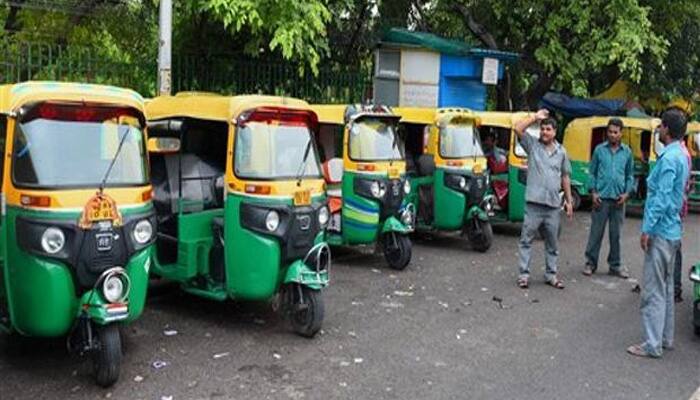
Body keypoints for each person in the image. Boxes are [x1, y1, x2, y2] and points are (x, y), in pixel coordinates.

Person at [627, 108, 690, 359]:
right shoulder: (681, 155)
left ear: (666, 128)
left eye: (660, 126)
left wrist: (647, 229)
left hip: (662, 231)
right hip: (673, 230)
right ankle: (665, 337)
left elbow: (661, 198)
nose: (658, 130)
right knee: (665, 286)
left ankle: (652, 343)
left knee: (653, 289)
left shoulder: (670, 158)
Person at [514, 109, 574, 289]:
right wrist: (535, 117)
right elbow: (517, 129)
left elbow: (565, 177)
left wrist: (569, 202)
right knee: (526, 240)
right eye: (542, 129)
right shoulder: (532, 146)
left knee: (552, 243)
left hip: (553, 206)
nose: (544, 132)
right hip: (533, 204)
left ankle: (551, 275)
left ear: (555, 132)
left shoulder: (561, 152)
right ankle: (523, 275)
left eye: (548, 129)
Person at [582, 118, 634, 278]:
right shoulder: (599, 150)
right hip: (601, 199)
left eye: (615, 132)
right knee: (596, 233)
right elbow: (592, 172)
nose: (612, 135)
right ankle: (590, 263)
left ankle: (615, 265)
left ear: (621, 133)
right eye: (610, 132)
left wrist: (627, 193)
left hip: (619, 200)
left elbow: (630, 175)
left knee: (616, 234)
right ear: (607, 132)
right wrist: (593, 192)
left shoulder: (627, 152)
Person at [672, 137, 692, 302]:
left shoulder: (679, 155)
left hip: (673, 212)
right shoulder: (682, 153)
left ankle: (675, 288)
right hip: (677, 209)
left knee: (673, 249)